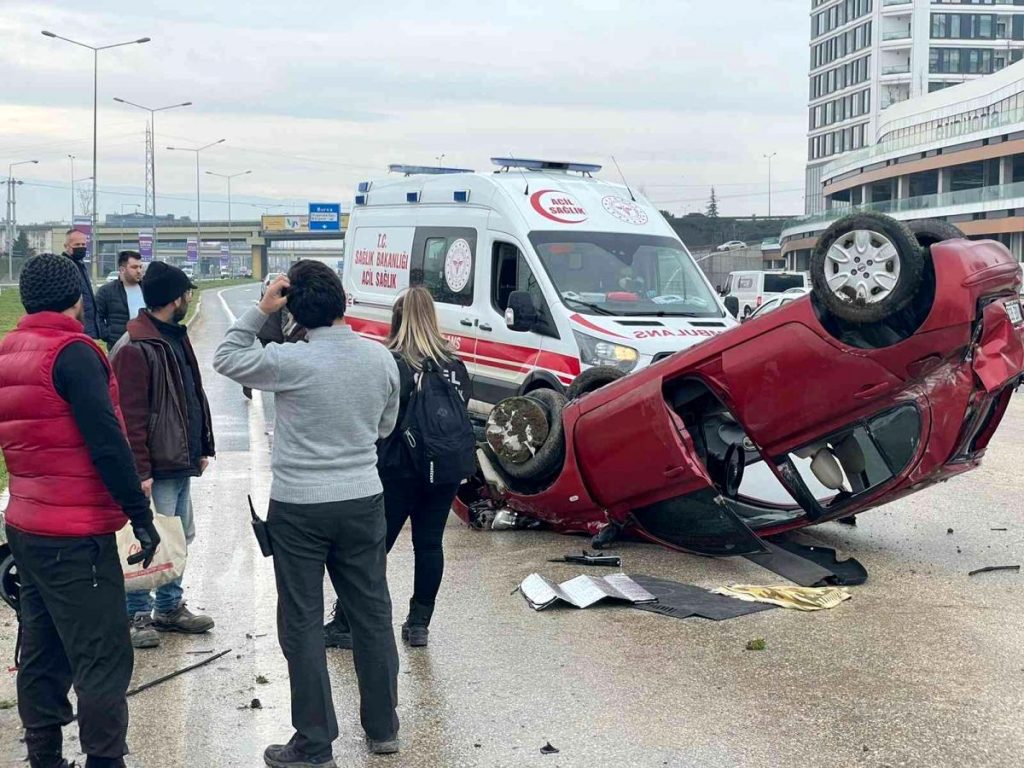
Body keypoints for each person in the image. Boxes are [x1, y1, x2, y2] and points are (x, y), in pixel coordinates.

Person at [213, 260, 402, 765]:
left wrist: (260, 310)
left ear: (293, 310)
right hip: (363, 498)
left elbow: (227, 357)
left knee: (301, 620)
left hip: (299, 505)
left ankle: (314, 741)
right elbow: (386, 426)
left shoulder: (288, 361)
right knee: (371, 612)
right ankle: (383, 727)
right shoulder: (380, 359)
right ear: (342, 302)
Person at [0, 253, 160, 768]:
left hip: (27, 523)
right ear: (77, 297)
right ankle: (104, 760)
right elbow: (108, 443)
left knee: (42, 650)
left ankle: (44, 757)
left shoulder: (8, 351)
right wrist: (140, 513)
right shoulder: (74, 353)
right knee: (102, 657)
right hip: (77, 535)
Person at [324, 287, 472, 650]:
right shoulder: (455, 365)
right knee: (429, 543)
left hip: (397, 468)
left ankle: (346, 622)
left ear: (397, 318)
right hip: (444, 469)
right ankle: (419, 623)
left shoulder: (390, 362)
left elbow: (377, 418)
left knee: (373, 547)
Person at [108, 261, 216, 648]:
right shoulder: (135, 346)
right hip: (155, 463)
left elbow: (191, 393)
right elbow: (129, 417)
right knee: (148, 538)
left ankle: (169, 607)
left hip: (179, 459)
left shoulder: (174, 335)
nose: (189, 297)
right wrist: (139, 471)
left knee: (178, 536)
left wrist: (201, 445)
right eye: (186, 292)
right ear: (175, 298)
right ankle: (137, 611)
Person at [95, 250, 146, 347]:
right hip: (119, 347)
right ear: (122, 269)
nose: (139, 271)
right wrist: (108, 335)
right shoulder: (106, 291)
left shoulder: (147, 289)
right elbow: (96, 317)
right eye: (134, 267)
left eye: (140, 267)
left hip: (146, 346)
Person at [61, 228, 101, 339]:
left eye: (83, 244)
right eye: (77, 244)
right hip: (75, 325)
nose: (81, 247)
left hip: (86, 324)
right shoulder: (64, 266)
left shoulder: (80, 265)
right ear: (66, 246)